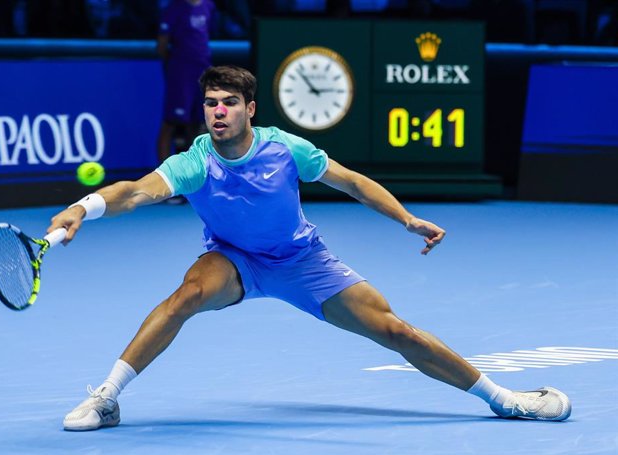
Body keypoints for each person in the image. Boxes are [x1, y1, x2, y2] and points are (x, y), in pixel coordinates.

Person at [51, 65, 572, 431]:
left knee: (394, 329)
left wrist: (407, 218)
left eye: (229, 103)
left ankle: (505, 400)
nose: (218, 112)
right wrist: (84, 206)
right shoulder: (195, 160)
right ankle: (107, 397)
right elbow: (137, 190)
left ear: (249, 109)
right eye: (210, 103)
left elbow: (351, 182)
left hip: (303, 261)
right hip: (234, 260)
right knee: (185, 295)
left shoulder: (284, 148)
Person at [156, 0, 215, 199]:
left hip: (203, 70)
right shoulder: (173, 9)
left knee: (197, 125)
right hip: (180, 72)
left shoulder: (208, 5)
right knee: (170, 124)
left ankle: (192, 181)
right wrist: (174, 70)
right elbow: (162, 45)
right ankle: (165, 186)